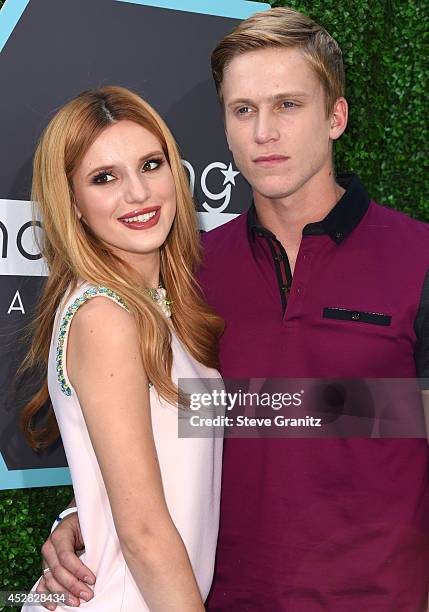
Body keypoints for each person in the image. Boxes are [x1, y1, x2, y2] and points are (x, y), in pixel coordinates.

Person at [36, 7, 429, 611]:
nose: (264, 132)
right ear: (223, 126)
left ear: (336, 116)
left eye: (288, 105)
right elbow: (174, 423)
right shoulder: (187, 273)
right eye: (244, 109)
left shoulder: (418, 257)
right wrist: (87, 512)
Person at [19, 85, 224, 611]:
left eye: (151, 165)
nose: (138, 193)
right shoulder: (105, 315)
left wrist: (78, 512)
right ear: (74, 205)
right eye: (104, 178)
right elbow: (144, 534)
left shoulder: (157, 306)